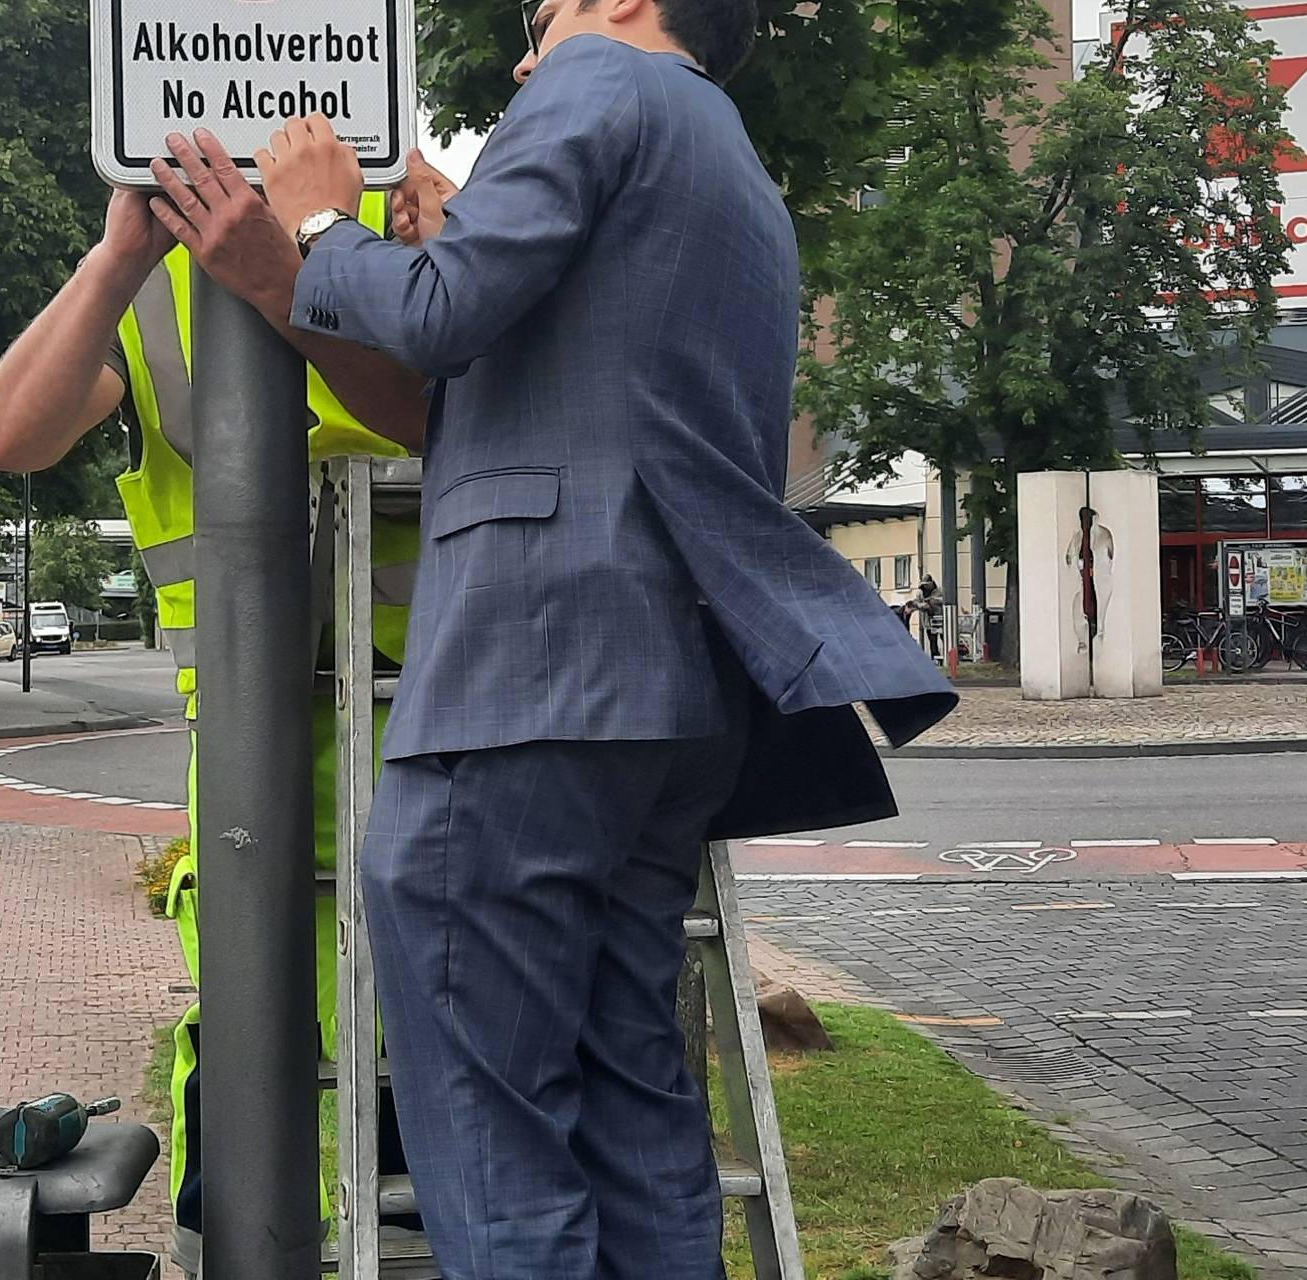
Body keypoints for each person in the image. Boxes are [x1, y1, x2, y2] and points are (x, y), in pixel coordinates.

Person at [208, 0, 959, 1270]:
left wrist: (320, 219)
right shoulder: (733, 164)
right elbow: (559, 383)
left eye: (537, 17)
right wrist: (454, 245)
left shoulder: (596, 79)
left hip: (532, 672)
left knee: (493, 1125)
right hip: (670, 697)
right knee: (634, 1106)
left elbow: (441, 320)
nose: (522, 51)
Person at [0, 179, 426, 1274]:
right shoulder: (157, 258)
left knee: (430, 1009)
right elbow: (11, 432)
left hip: (434, 694)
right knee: (247, 1012)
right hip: (241, 716)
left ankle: (422, 1241)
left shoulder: (387, 201)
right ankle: (227, 1245)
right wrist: (118, 254)